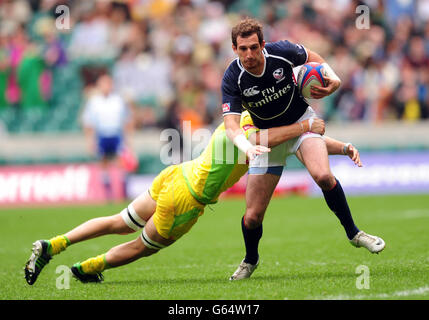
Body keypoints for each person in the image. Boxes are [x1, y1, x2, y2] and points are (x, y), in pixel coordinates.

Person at [24, 111, 359, 285]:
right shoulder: (258, 131)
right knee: (141, 245)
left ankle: (53, 244)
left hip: (176, 174)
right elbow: (284, 137)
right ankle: (87, 268)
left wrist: (340, 146)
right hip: (187, 198)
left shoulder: (238, 117)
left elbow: (297, 143)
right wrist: (306, 126)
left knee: (119, 221)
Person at [221, 18, 385, 281]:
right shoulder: (233, 77)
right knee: (251, 218)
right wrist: (246, 147)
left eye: (254, 47)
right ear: (234, 48)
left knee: (323, 176)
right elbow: (231, 125)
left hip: (301, 123)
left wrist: (335, 79)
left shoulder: (281, 52)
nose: (249, 54)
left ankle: (355, 233)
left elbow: (312, 57)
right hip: (268, 140)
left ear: (263, 44)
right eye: (243, 49)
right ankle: (250, 260)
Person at [82, 72, 134, 200]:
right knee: (103, 162)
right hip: (102, 134)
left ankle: (123, 192)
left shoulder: (118, 100)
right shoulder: (94, 102)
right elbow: (89, 123)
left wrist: (128, 139)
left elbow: (126, 120)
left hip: (116, 134)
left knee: (121, 162)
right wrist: (90, 141)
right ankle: (108, 193)